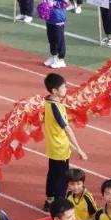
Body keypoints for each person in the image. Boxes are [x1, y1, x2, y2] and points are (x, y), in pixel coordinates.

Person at [41, 73, 87, 210]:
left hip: (52, 145)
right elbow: (66, 128)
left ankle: (49, 200)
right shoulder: (56, 107)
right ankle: (60, 203)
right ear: (54, 90)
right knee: (62, 177)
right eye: (63, 87)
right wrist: (79, 149)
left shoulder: (47, 101)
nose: (66, 89)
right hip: (60, 147)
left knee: (52, 173)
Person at [41, 0, 70, 68]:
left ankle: (61, 59)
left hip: (58, 18)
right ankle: (54, 56)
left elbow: (65, 3)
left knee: (59, 39)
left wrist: (54, 3)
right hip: (49, 18)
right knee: (51, 38)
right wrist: (44, 6)